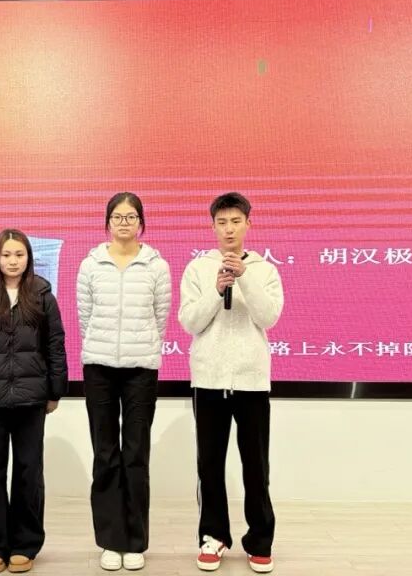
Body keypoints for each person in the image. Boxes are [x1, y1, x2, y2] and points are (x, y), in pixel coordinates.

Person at [177, 192, 284, 574]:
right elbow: (190, 322)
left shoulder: (264, 270)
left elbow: (268, 317)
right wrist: (217, 289)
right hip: (208, 380)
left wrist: (244, 278)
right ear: (213, 227)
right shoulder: (198, 269)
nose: (228, 229)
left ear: (248, 224)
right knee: (209, 465)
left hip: (252, 382)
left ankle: (260, 540)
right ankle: (213, 536)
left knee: (256, 466)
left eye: (236, 221)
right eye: (222, 222)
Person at [0, 229, 68, 574]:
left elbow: (55, 345)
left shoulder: (43, 296)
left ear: (28, 258)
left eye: (19, 254)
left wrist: (55, 390)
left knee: (28, 473)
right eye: (6, 255)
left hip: (32, 400)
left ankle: (25, 545)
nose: (13, 261)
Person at [75, 192, 171, 571]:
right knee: (105, 454)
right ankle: (110, 540)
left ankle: (135, 541)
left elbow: (160, 316)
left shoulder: (156, 266)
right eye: (118, 217)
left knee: (135, 454)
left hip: (140, 369)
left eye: (131, 217)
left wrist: (141, 349)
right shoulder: (91, 264)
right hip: (98, 368)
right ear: (108, 222)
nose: (124, 223)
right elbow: (85, 316)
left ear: (141, 223)